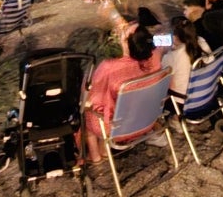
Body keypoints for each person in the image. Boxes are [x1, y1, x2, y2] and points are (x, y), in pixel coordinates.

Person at [83, 24, 161, 165]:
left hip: (118, 130)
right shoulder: (149, 63)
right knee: (111, 104)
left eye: (122, 33)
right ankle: (104, 152)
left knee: (89, 111)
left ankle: (95, 157)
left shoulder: (108, 66)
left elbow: (94, 100)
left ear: (125, 42)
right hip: (146, 122)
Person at [162, 16, 210, 104]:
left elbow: (163, 80)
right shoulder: (202, 42)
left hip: (182, 101)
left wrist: (163, 53)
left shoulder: (173, 56)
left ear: (175, 36)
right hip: (206, 95)